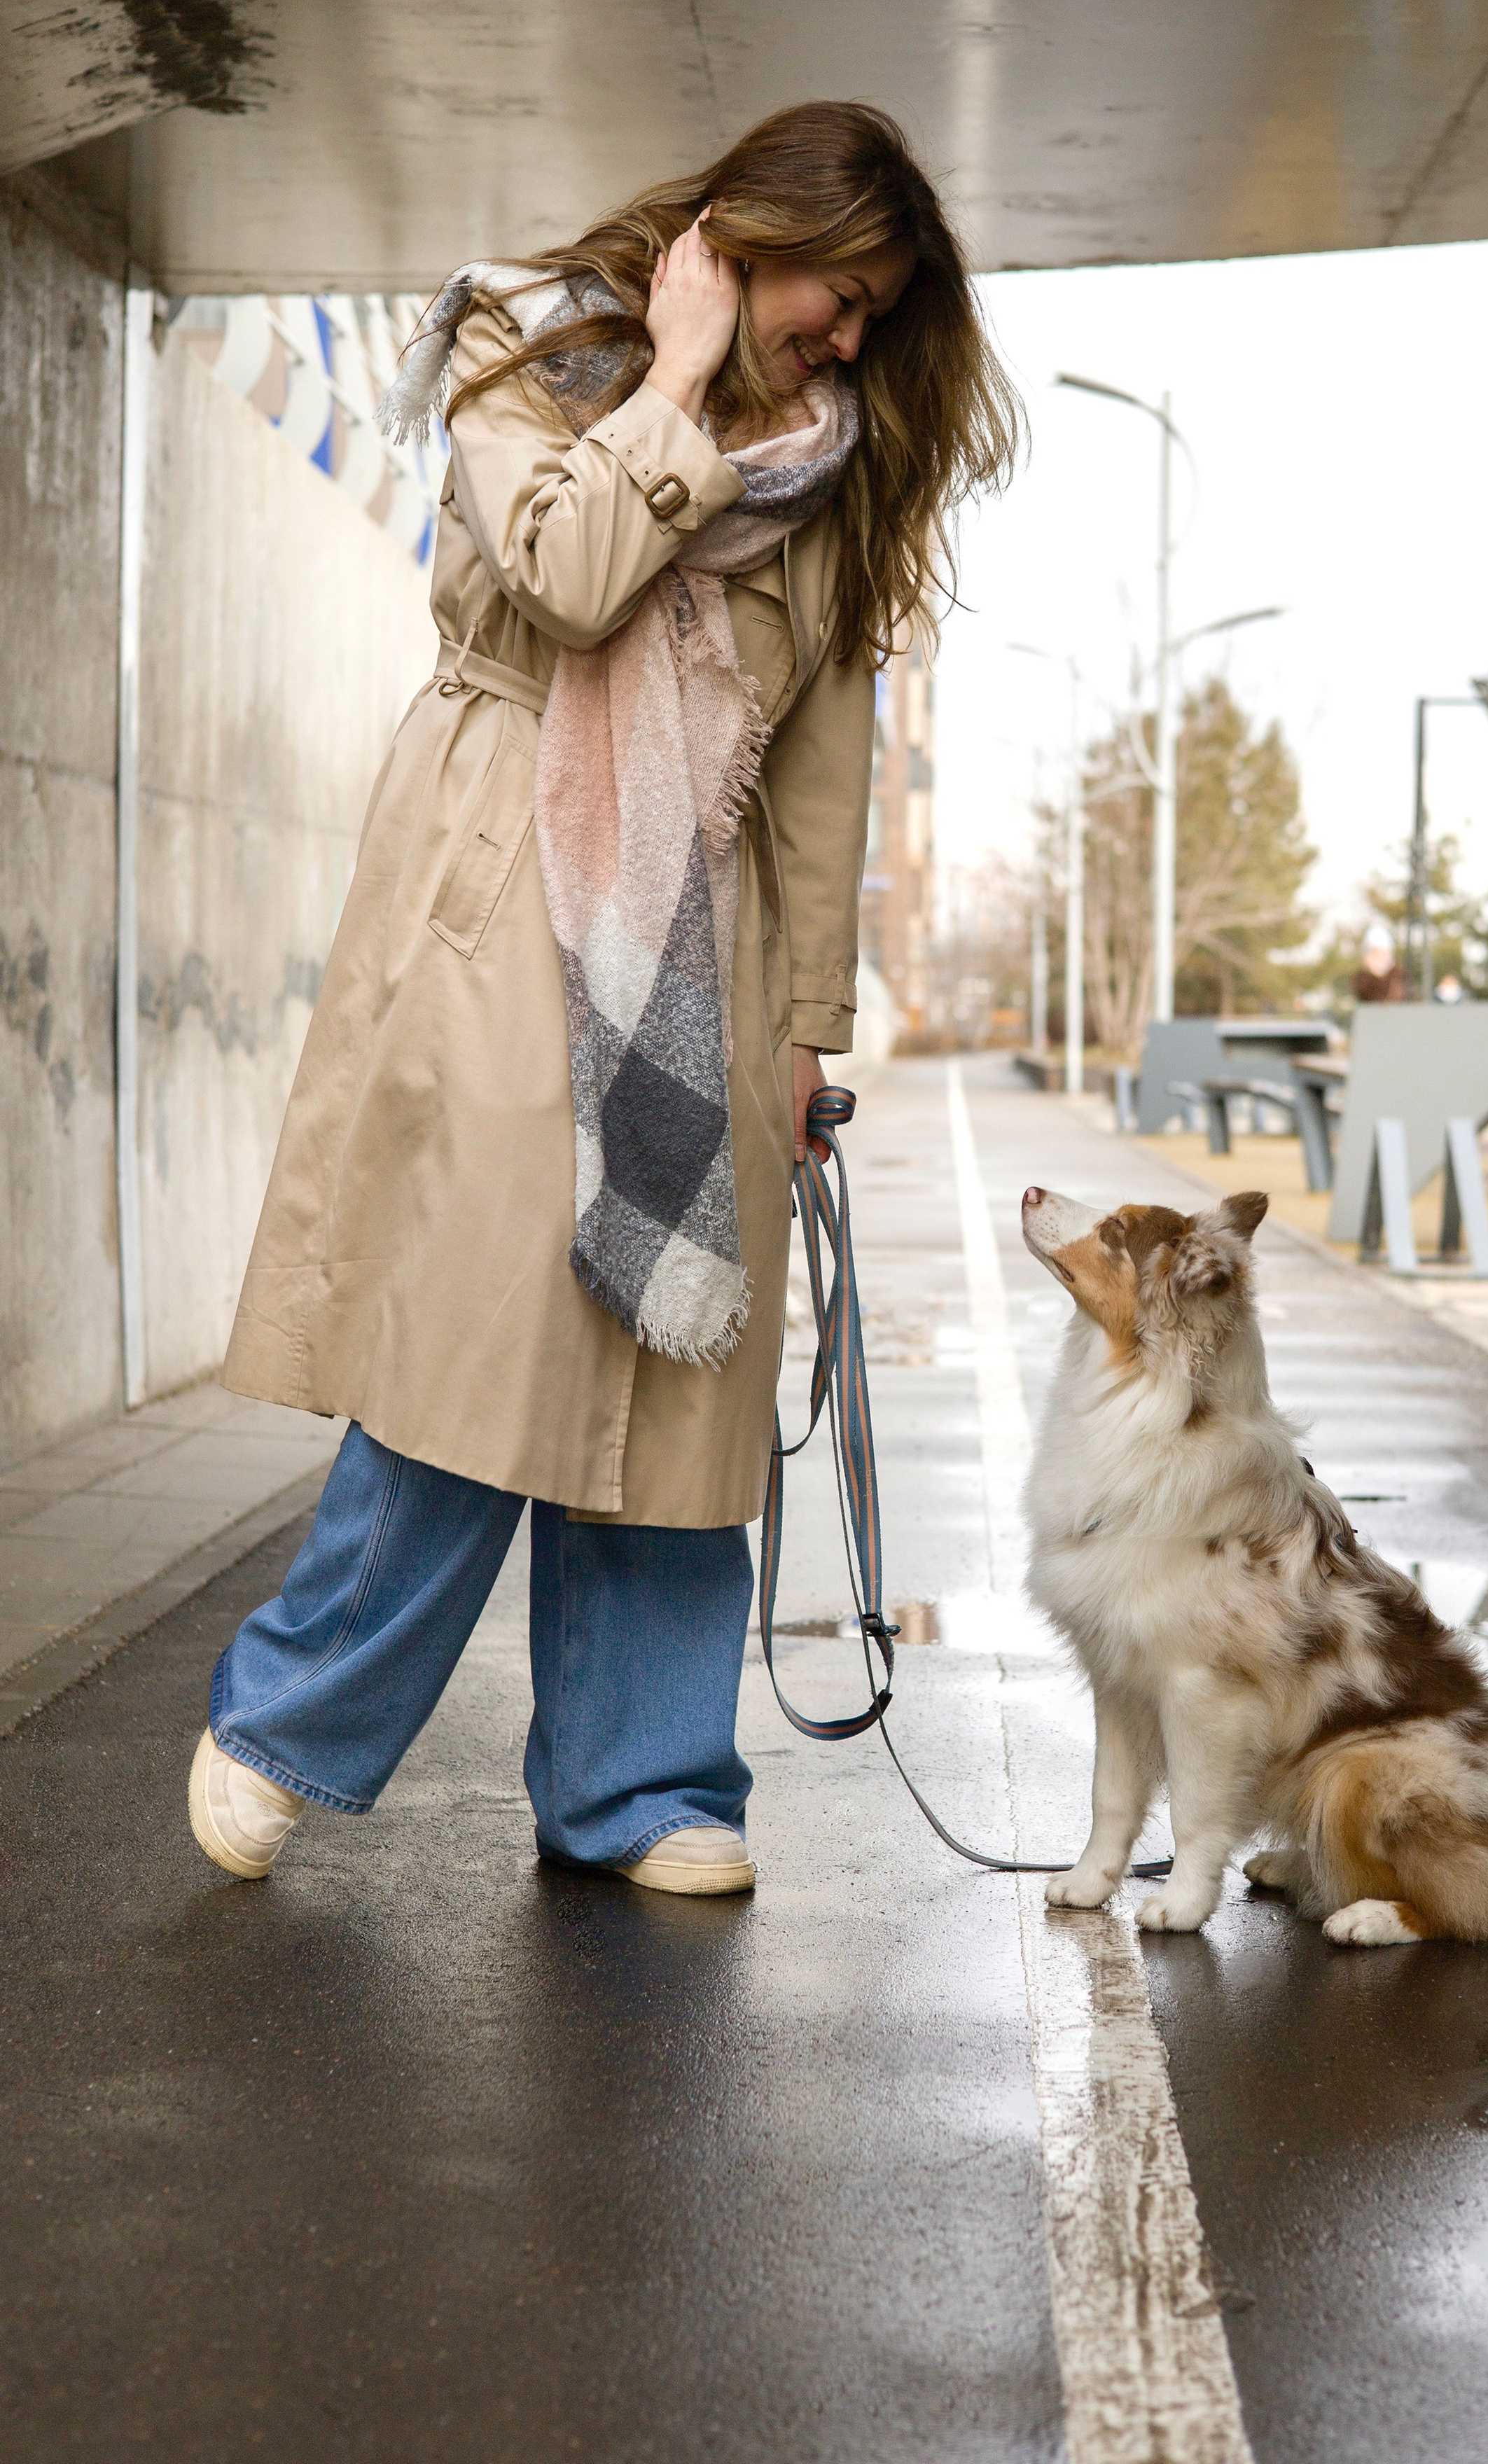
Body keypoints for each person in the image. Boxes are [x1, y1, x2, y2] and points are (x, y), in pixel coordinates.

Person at [188, 103, 1020, 1896]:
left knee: (678, 1359)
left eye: (880, 314)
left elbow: (817, 763)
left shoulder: (836, 464)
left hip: (698, 937)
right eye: (835, 291)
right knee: (467, 1346)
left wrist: (806, 1024)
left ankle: (645, 1787)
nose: (850, 339)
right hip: (501, 888)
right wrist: (686, 366)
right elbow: (568, 581)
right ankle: (285, 1722)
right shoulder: (529, 338)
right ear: (746, 232)